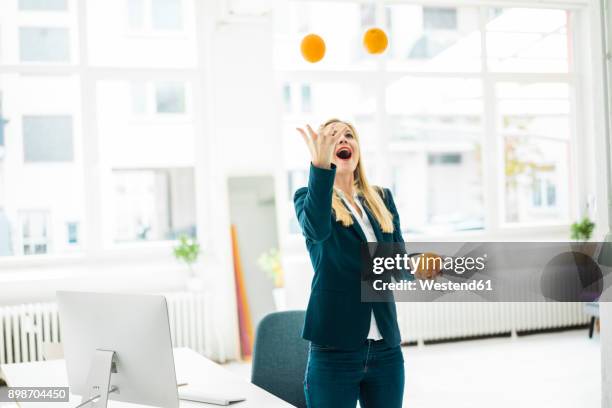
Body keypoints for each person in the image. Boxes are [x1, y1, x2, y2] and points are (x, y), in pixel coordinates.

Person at [294, 118, 439, 408]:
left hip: (385, 348)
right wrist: (320, 168)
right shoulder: (309, 199)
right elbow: (316, 231)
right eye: (333, 137)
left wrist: (419, 265)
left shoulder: (381, 197)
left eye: (349, 135)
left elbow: (395, 263)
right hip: (335, 348)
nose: (343, 140)